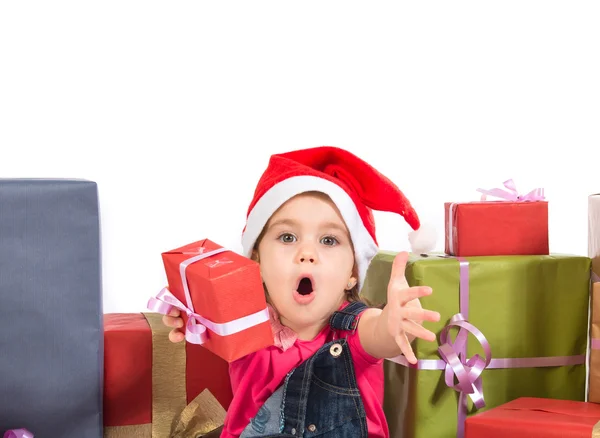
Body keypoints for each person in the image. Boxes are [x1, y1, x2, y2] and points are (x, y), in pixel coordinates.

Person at [161, 146, 440, 437]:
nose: (307, 253)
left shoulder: (354, 328)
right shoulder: (243, 322)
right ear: (256, 260)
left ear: (352, 274)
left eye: (329, 241)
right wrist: (190, 315)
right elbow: (200, 313)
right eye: (288, 237)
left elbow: (381, 334)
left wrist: (396, 324)